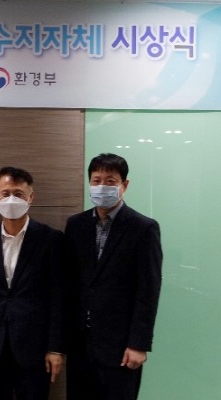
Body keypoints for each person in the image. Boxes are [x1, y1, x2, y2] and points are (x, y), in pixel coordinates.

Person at [64, 153, 163, 400]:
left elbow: (148, 291)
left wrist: (139, 344)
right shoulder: (76, 225)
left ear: (124, 185)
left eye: (110, 181)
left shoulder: (143, 228)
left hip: (121, 346)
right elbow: (70, 284)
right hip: (80, 343)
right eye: (96, 180)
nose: (102, 186)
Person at [0, 166, 65, 400]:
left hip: (35, 347)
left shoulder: (51, 239)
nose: (11, 199)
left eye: (18, 194)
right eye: (6, 193)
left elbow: (59, 297)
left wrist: (56, 348)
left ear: (31, 197)